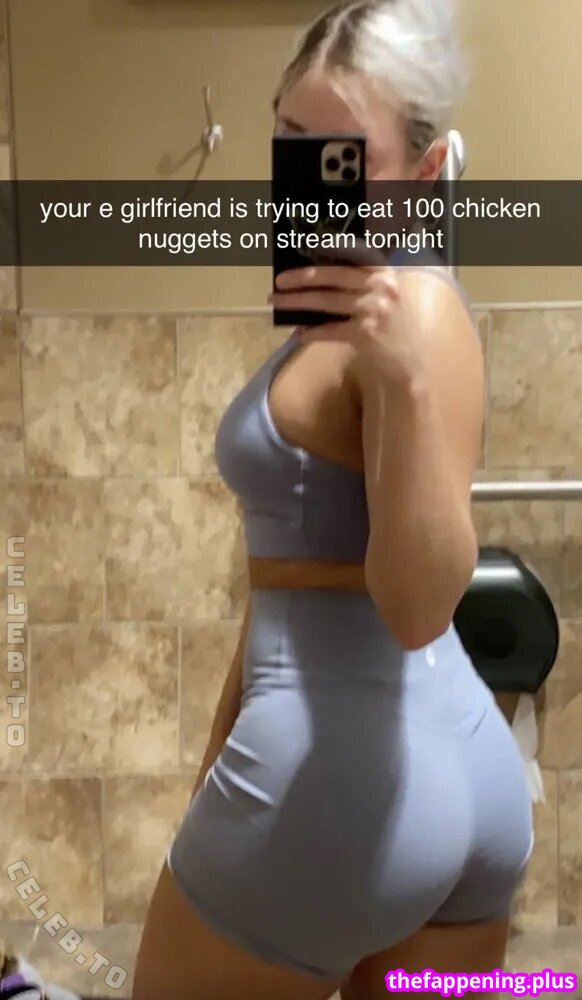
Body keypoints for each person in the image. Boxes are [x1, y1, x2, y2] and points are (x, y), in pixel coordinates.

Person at [132, 2, 534, 999]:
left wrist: (407, 383)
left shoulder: (409, 318)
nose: (306, 177)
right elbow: (290, 576)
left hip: (335, 785)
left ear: (425, 174)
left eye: (341, 156)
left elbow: (418, 604)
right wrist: (219, 752)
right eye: (290, 140)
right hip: (459, 782)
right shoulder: (371, 315)